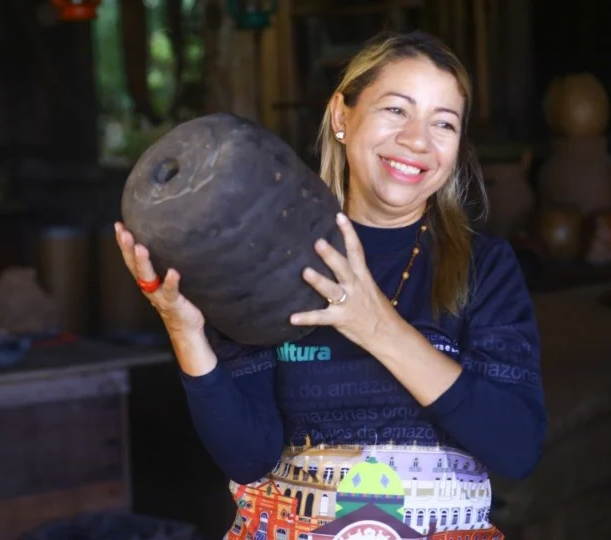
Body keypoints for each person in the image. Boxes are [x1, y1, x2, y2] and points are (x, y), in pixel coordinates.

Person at [114, 30, 545, 539]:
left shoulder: (484, 269)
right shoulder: (268, 253)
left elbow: (517, 448)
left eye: (444, 123)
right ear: (342, 116)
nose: (417, 140)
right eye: (396, 110)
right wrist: (185, 332)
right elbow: (249, 457)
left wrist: (378, 328)